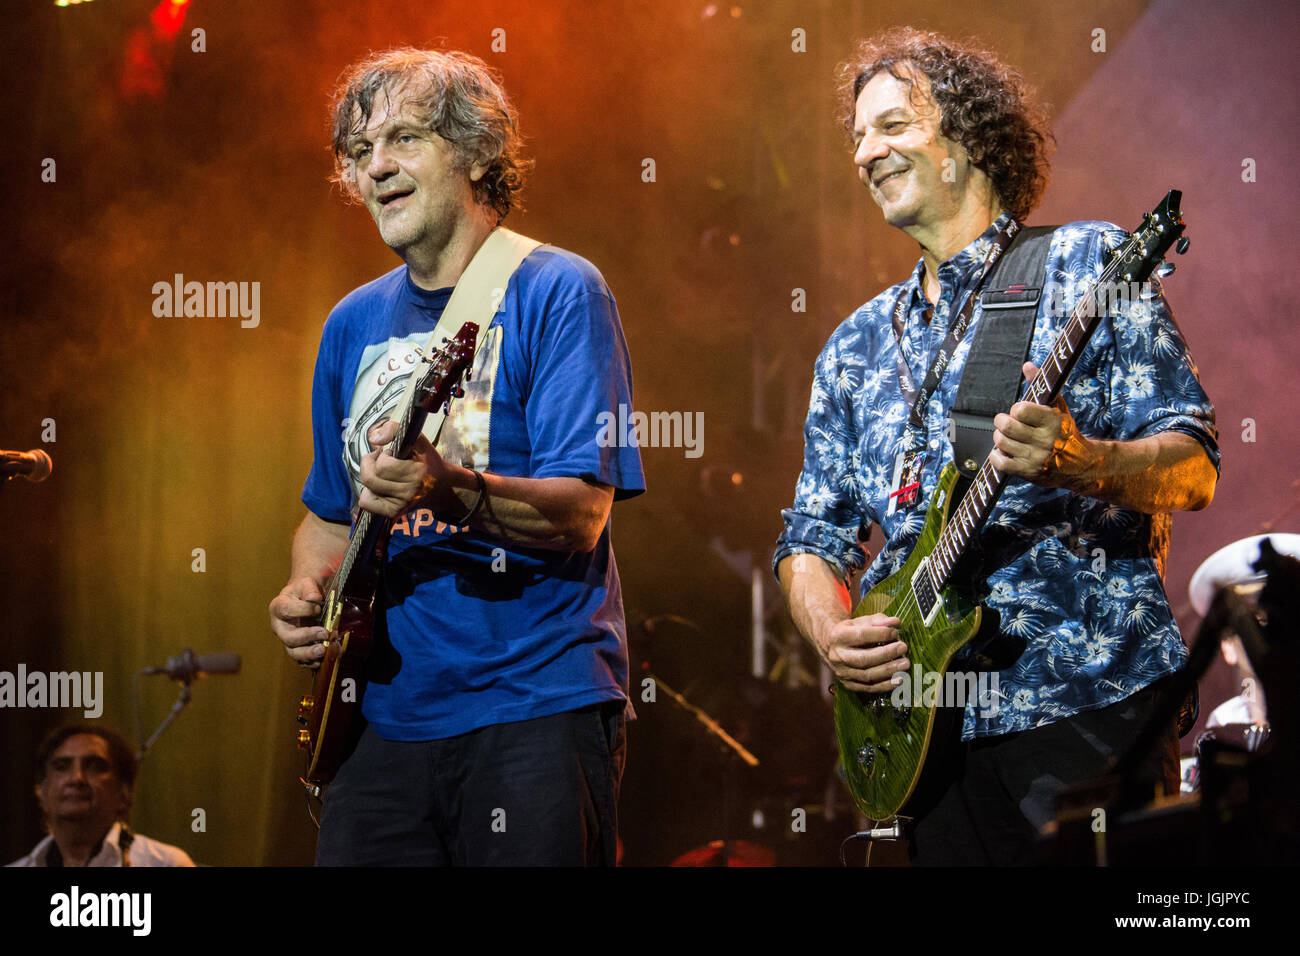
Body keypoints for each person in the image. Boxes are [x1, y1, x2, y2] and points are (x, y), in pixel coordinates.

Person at [774, 28, 1220, 864]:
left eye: (894, 126)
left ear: (968, 139)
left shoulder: (1085, 264)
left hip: (1083, 705)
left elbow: (1193, 469)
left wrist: (1081, 461)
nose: (867, 152)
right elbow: (810, 538)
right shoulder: (853, 346)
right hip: (925, 743)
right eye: (858, 136)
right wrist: (833, 633)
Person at [267, 48, 644, 866]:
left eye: (404, 138)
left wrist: (453, 487)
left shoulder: (558, 288)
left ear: (475, 153)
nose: (377, 167)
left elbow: (583, 513)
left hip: (532, 703)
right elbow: (330, 515)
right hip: (377, 718)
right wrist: (307, 590)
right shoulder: (349, 324)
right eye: (360, 152)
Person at [9, 724, 195, 867]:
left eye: (95, 767)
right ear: (41, 792)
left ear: (125, 793)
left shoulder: (165, 862)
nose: (77, 778)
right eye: (62, 767)